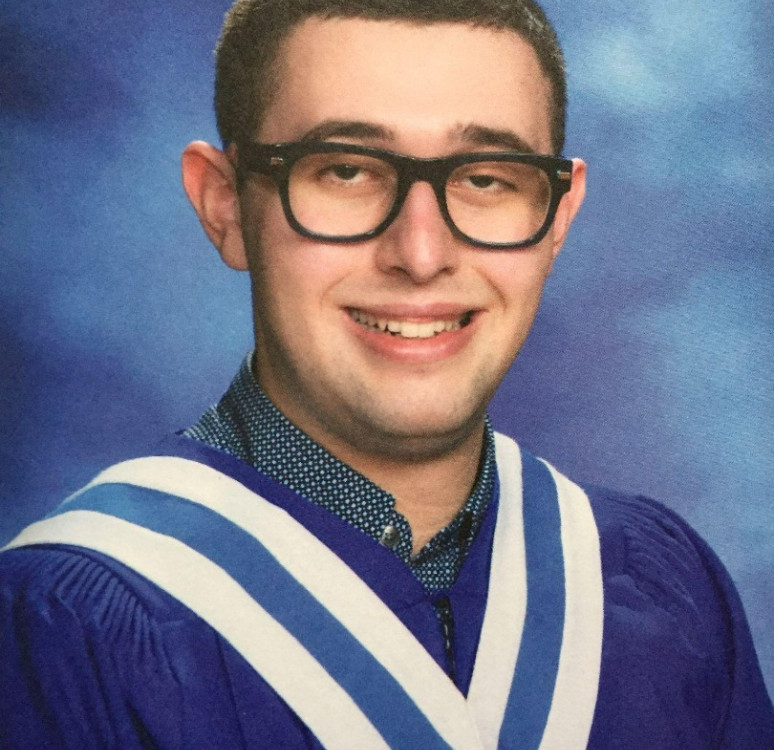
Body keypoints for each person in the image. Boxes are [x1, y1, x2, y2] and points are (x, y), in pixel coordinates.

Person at [1, 0, 771, 747]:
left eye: (486, 177)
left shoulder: (662, 591)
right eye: (345, 171)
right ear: (225, 204)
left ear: (559, 215)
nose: (422, 253)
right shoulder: (61, 632)